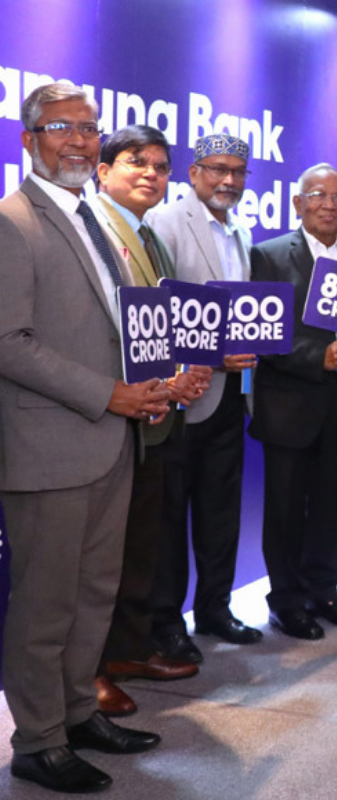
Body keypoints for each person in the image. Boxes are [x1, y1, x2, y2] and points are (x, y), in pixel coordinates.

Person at [0, 82, 169, 794]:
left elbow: (109, 327)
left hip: (110, 443)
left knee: (94, 595)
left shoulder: (92, 218)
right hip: (49, 450)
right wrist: (109, 394)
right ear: (28, 139)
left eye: (88, 128)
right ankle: (38, 742)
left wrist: (154, 383)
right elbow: (8, 343)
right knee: (45, 606)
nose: (77, 139)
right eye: (60, 127)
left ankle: (76, 714)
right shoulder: (12, 221)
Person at [91, 125, 211, 718]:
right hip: (108, 420)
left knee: (141, 547)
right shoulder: (92, 229)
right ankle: (90, 671)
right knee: (102, 559)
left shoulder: (150, 236)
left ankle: (128, 651)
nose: (150, 174)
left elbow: (157, 328)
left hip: (154, 418)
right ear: (103, 170)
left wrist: (179, 377)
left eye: (161, 167)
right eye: (136, 162)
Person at [249, 163, 337, 640]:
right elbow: (263, 334)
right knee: (285, 511)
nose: (329, 205)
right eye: (318, 196)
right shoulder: (268, 256)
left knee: (331, 506)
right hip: (289, 405)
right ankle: (286, 602)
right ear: (298, 203)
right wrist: (316, 356)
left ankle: (324, 592)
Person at [146, 133, 262, 663]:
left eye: (237, 171)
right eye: (218, 169)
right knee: (170, 518)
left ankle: (216, 608)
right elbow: (156, 315)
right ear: (193, 173)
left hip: (232, 397)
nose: (228, 180)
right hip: (182, 398)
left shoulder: (241, 229)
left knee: (220, 513)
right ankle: (167, 622)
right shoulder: (165, 223)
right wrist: (214, 359)